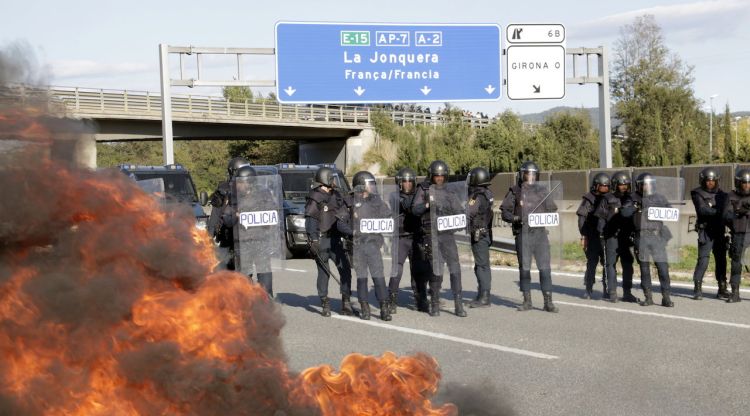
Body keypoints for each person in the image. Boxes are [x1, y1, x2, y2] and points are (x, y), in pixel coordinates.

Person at [500, 161, 559, 313]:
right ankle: (527, 301)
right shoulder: (515, 191)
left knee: (545, 268)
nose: (530, 177)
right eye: (528, 174)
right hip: (523, 234)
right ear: (522, 174)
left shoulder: (542, 191)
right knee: (524, 268)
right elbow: (505, 211)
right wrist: (515, 219)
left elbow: (552, 208)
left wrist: (548, 212)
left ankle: (548, 301)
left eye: (533, 174)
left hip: (540, 234)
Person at [412, 160, 467, 317]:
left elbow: (459, 210)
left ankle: (459, 304)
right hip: (431, 236)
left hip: (448, 236)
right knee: (437, 271)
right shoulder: (423, 190)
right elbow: (415, 209)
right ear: (431, 176)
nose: (440, 179)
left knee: (455, 269)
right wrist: (427, 205)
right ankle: (434, 303)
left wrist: (460, 219)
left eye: (442, 176)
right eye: (437, 176)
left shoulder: (450, 192)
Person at [337, 171, 392, 321]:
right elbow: (340, 223)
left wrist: (389, 220)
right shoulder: (349, 201)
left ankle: (384, 307)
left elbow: (388, 216)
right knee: (362, 278)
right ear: (361, 185)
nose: (373, 187)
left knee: (379, 277)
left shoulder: (377, 201)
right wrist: (352, 232)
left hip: (373, 244)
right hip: (358, 246)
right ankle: (364, 307)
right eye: (370, 183)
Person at [304, 166, 353, 317]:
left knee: (345, 269)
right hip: (322, 239)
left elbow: (347, 210)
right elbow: (311, 220)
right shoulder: (315, 197)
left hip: (336, 239)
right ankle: (325, 302)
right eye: (331, 178)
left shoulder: (337, 195)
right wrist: (312, 240)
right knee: (324, 273)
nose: (334, 181)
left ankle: (346, 303)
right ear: (325, 179)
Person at [387, 167, 430, 314]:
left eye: (410, 182)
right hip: (400, 238)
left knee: (419, 270)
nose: (407, 185)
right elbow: (408, 205)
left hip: (416, 236)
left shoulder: (418, 196)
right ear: (399, 183)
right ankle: (391, 299)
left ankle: (421, 299)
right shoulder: (394, 196)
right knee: (396, 270)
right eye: (404, 182)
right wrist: (425, 199)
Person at [230, 165, 277, 296]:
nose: (238, 185)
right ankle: (248, 301)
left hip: (261, 241)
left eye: (241, 182)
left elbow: (273, 214)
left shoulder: (264, 194)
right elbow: (227, 220)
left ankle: (266, 300)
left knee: (265, 273)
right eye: (237, 182)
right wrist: (235, 215)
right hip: (243, 243)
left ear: (250, 182)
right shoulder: (234, 197)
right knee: (244, 277)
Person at [632, 173, 674, 307]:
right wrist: (636, 207)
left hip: (657, 236)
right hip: (641, 236)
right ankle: (648, 296)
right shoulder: (633, 198)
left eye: (649, 183)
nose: (646, 186)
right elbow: (625, 212)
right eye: (644, 183)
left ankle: (666, 297)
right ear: (639, 185)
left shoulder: (659, 197)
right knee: (644, 268)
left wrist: (656, 208)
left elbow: (671, 212)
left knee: (663, 267)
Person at [596, 171, 639, 303]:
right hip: (611, 236)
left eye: (626, 184)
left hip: (626, 236)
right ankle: (612, 292)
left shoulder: (632, 199)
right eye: (621, 185)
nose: (624, 187)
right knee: (610, 264)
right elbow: (601, 219)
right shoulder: (607, 198)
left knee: (628, 264)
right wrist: (602, 235)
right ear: (615, 185)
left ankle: (627, 292)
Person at [690, 167, 729, 300]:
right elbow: (702, 210)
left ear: (717, 181)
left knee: (721, 260)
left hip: (719, 230)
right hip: (706, 231)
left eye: (712, 181)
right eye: (707, 181)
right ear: (703, 181)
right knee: (703, 260)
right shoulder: (697, 193)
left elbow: (728, 212)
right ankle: (697, 288)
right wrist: (719, 212)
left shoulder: (723, 195)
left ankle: (722, 288)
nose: (710, 183)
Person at [208, 157, 251, 270]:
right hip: (228, 237)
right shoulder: (224, 190)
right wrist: (209, 239)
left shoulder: (255, 189)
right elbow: (215, 217)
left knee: (243, 273)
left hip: (247, 238)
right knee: (225, 271)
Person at [577, 173, 610, 299]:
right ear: (596, 186)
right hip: (592, 236)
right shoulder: (589, 198)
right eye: (602, 187)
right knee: (592, 262)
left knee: (607, 263)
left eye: (606, 187)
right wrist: (584, 235)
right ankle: (588, 288)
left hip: (606, 236)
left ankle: (607, 288)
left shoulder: (610, 198)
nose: (604, 189)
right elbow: (581, 217)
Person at [467, 167, 494, 308]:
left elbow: (469, 213)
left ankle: (484, 297)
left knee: (481, 267)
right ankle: (482, 294)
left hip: (479, 234)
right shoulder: (488, 193)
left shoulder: (476, 196)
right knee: (481, 265)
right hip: (486, 232)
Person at [723, 168, 750, 303]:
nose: (747, 186)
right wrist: (739, 211)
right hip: (739, 232)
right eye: (744, 183)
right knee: (736, 262)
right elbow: (726, 215)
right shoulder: (732, 196)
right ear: (738, 183)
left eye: (749, 183)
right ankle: (735, 292)